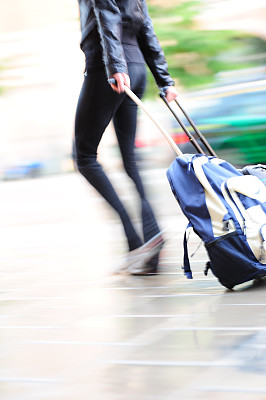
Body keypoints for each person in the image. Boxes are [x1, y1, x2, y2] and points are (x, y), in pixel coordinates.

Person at [75, 0, 178, 275]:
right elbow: (146, 28)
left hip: (108, 68)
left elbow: (107, 15)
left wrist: (113, 66)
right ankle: (151, 240)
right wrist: (164, 79)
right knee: (130, 161)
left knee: (84, 157)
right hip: (136, 68)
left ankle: (134, 243)